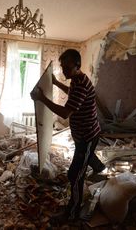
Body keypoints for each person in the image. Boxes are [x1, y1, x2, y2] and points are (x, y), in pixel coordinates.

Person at [30, 49, 105, 220]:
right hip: (83, 134)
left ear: (77, 65)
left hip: (87, 136)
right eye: (62, 67)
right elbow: (72, 93)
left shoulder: (80, 84)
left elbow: (65, 113)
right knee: (85, 155)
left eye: (67, 67)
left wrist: (42, 98)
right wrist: (56, 83)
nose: (64, 71)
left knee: (75, 174)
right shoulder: (78, 79)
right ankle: (99, 167)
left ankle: (72, 213)